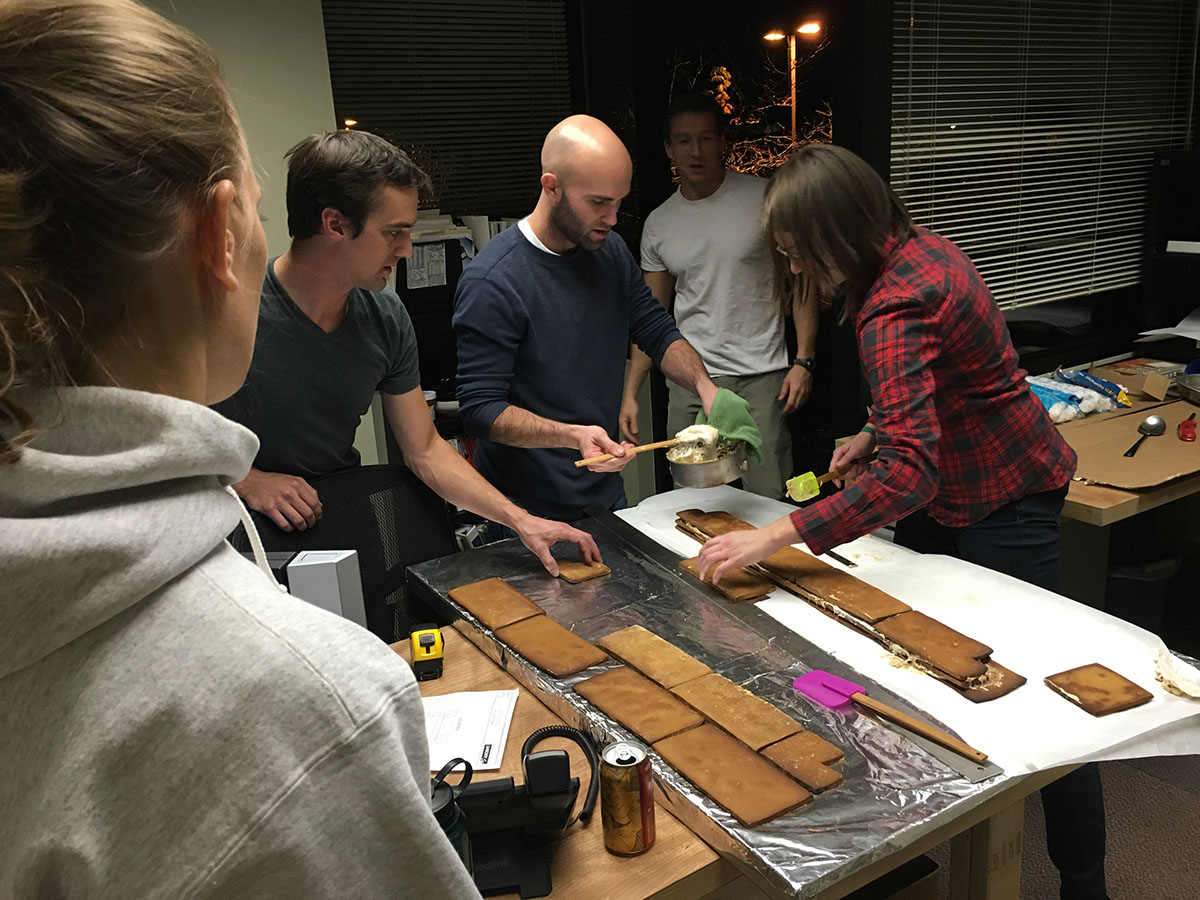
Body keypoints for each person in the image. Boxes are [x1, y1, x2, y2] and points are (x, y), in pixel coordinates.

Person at [0, 2, 479, 897]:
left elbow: (424, 448)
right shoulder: (314, 704)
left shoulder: (383, 320)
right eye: (255, 208)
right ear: (219, 232)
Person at [696, 143, 1108, 900]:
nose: (794, 270)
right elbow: (935, 389)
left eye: (794, 252)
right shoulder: (922, 251)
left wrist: (779, 532)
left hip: (1002, 496)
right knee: (910, 664)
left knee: (1044, 706)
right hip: (970, 485)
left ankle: (1084, 885)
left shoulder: (891, 304)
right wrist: (875, 430)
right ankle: (921, 846)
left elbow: (911, 475)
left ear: (832, 234)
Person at [213, 130, 598, 576]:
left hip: (329, 517)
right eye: (394, 232)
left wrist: (521, 521)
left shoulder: (385, 315)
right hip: (231, 533)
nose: (406, 250)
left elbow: (425, 449)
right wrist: (245, 478)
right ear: (334, 224)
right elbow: (151, 428)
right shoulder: (228, 309)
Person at [453, 115, 722, 523]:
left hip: (603, 498)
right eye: (598, 203)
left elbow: (655, 328)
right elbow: (481, 409)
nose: (612, 219)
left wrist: (705, 387)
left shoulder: (609, 251)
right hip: (522, 515)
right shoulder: (493, 281)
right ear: (552, 187)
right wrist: (572, 435)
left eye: (619, 202)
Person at [620, 93, 819, 499]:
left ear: (723, 141)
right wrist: (631, 393)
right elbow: (650, 315)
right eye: (683, 141)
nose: (696, 151)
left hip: (761, 377)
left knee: (769, 498)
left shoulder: (765, 199)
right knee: (692, 500)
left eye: (707, 138)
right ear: (668, 149)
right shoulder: (660, 224)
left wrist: (804, 360)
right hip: (689, 381)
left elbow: (802, 281)